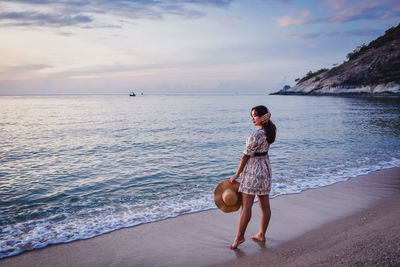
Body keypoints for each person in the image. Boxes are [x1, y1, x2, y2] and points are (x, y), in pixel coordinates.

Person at [229, 105, 276, 249]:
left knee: (246, 206)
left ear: (262, 117)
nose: (252, 118)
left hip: (253, 170)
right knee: (265, 206)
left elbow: (245, 156)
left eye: (254, 115)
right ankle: (261, 234)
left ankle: (239, 238)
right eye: (252, 116)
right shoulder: (270, 130)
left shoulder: (256, 135)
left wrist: (237, 173)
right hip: (265, 169)